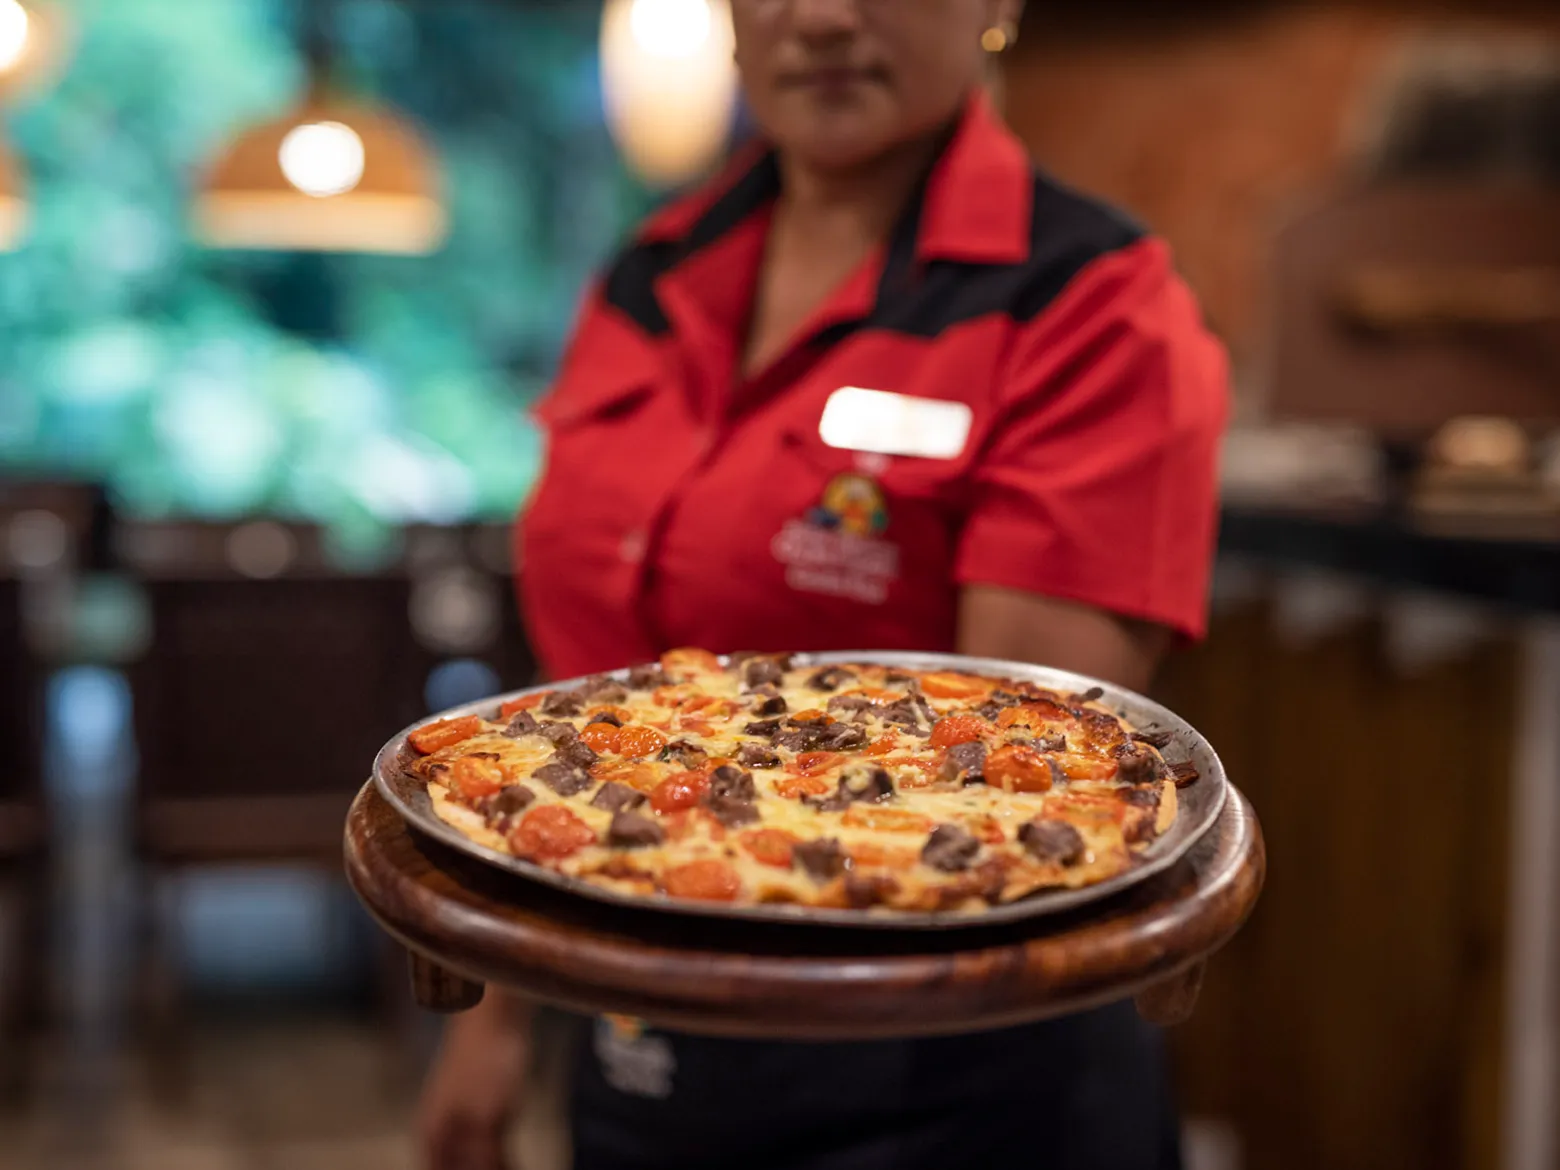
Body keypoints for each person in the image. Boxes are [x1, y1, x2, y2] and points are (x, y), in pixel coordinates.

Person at [419, 0, 1228, 1167]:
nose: (823, 17)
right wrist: (493, 1023)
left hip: (952, 1086)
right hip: (634, 1043)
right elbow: (582, 714)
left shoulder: (1093, 307)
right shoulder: (653, 274)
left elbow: (1032, 799)